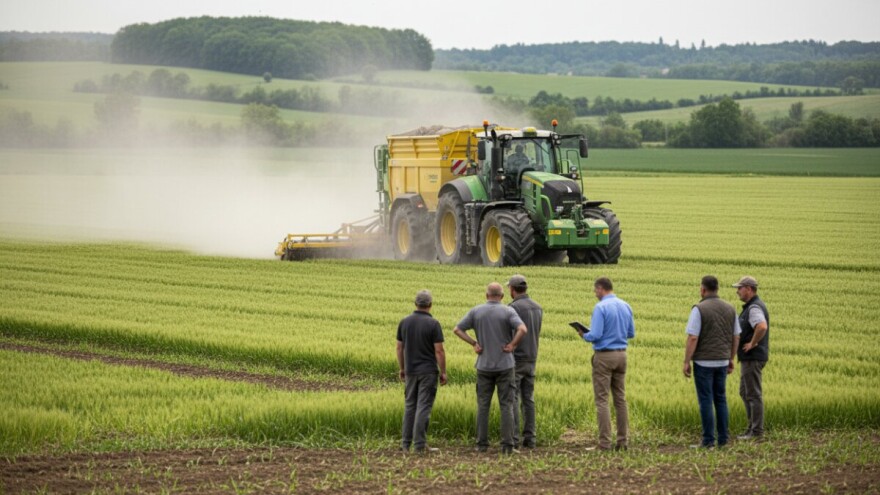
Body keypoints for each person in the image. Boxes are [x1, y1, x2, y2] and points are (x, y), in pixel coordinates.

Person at [453, 282, 528, 454]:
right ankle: (507, 446)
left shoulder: (476, 311)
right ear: (502, 297)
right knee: (507, 405)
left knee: (483, 405)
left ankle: (481, 445)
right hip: (505, 365)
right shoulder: (508, 311)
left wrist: (474, 343)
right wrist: (512, 345)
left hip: (484, 366)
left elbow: (457, 329)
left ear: (487, 295)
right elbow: (523, 329)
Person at [576, 277, 635, 451]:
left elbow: (595, 335)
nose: (595, 294)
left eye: (595, 291)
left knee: (602, 400)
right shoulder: (626, 305)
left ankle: (604, 443)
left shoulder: (600, 307)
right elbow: (631, 333)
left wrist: (583, 334)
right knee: (620, 399)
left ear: (601, 289)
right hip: (622, 355)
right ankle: (623, 441)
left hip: (604, 356)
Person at [682, 275, 741, 448]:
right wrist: (731, 358)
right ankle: (723, 439)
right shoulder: (730, 308)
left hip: (703, 363)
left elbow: (693, 337)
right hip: (722, 361)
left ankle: (708, 440)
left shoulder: (699, 309)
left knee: (706, 400)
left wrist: (686, 361)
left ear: (703, 289)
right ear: (717, 289)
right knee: (721, 399)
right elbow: (736, 336)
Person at [396, 289, 447, 453]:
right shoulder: (434, 324)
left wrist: (402, 368)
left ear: (415, 304)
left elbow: (399, 347)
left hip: (410, 371)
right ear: (430, 305)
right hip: (428, 372)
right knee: (423, 406)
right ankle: (419, 445)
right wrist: (443, 371)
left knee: (410, 405)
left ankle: (405, 444)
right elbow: (439, 351)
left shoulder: (404, 322)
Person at [507, 274, 543, 449]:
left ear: (512, 290)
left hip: (517, 358)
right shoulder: (538, 307)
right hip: (532, 357)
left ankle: (513, 438)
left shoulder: (513, 308)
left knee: (513, 397)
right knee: (528, 398)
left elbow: (510, 333)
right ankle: (530, 438)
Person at [733, 276, 769, 440]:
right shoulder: (751, 307)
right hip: (750, 358)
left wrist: (752, 343)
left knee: (753, 393)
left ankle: (756, 432)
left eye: (739, 288)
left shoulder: (754, 307)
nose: (737, 291)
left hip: (752, 357)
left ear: (748, 288)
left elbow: (761, 326)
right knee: (744, 391)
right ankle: (751, 429)